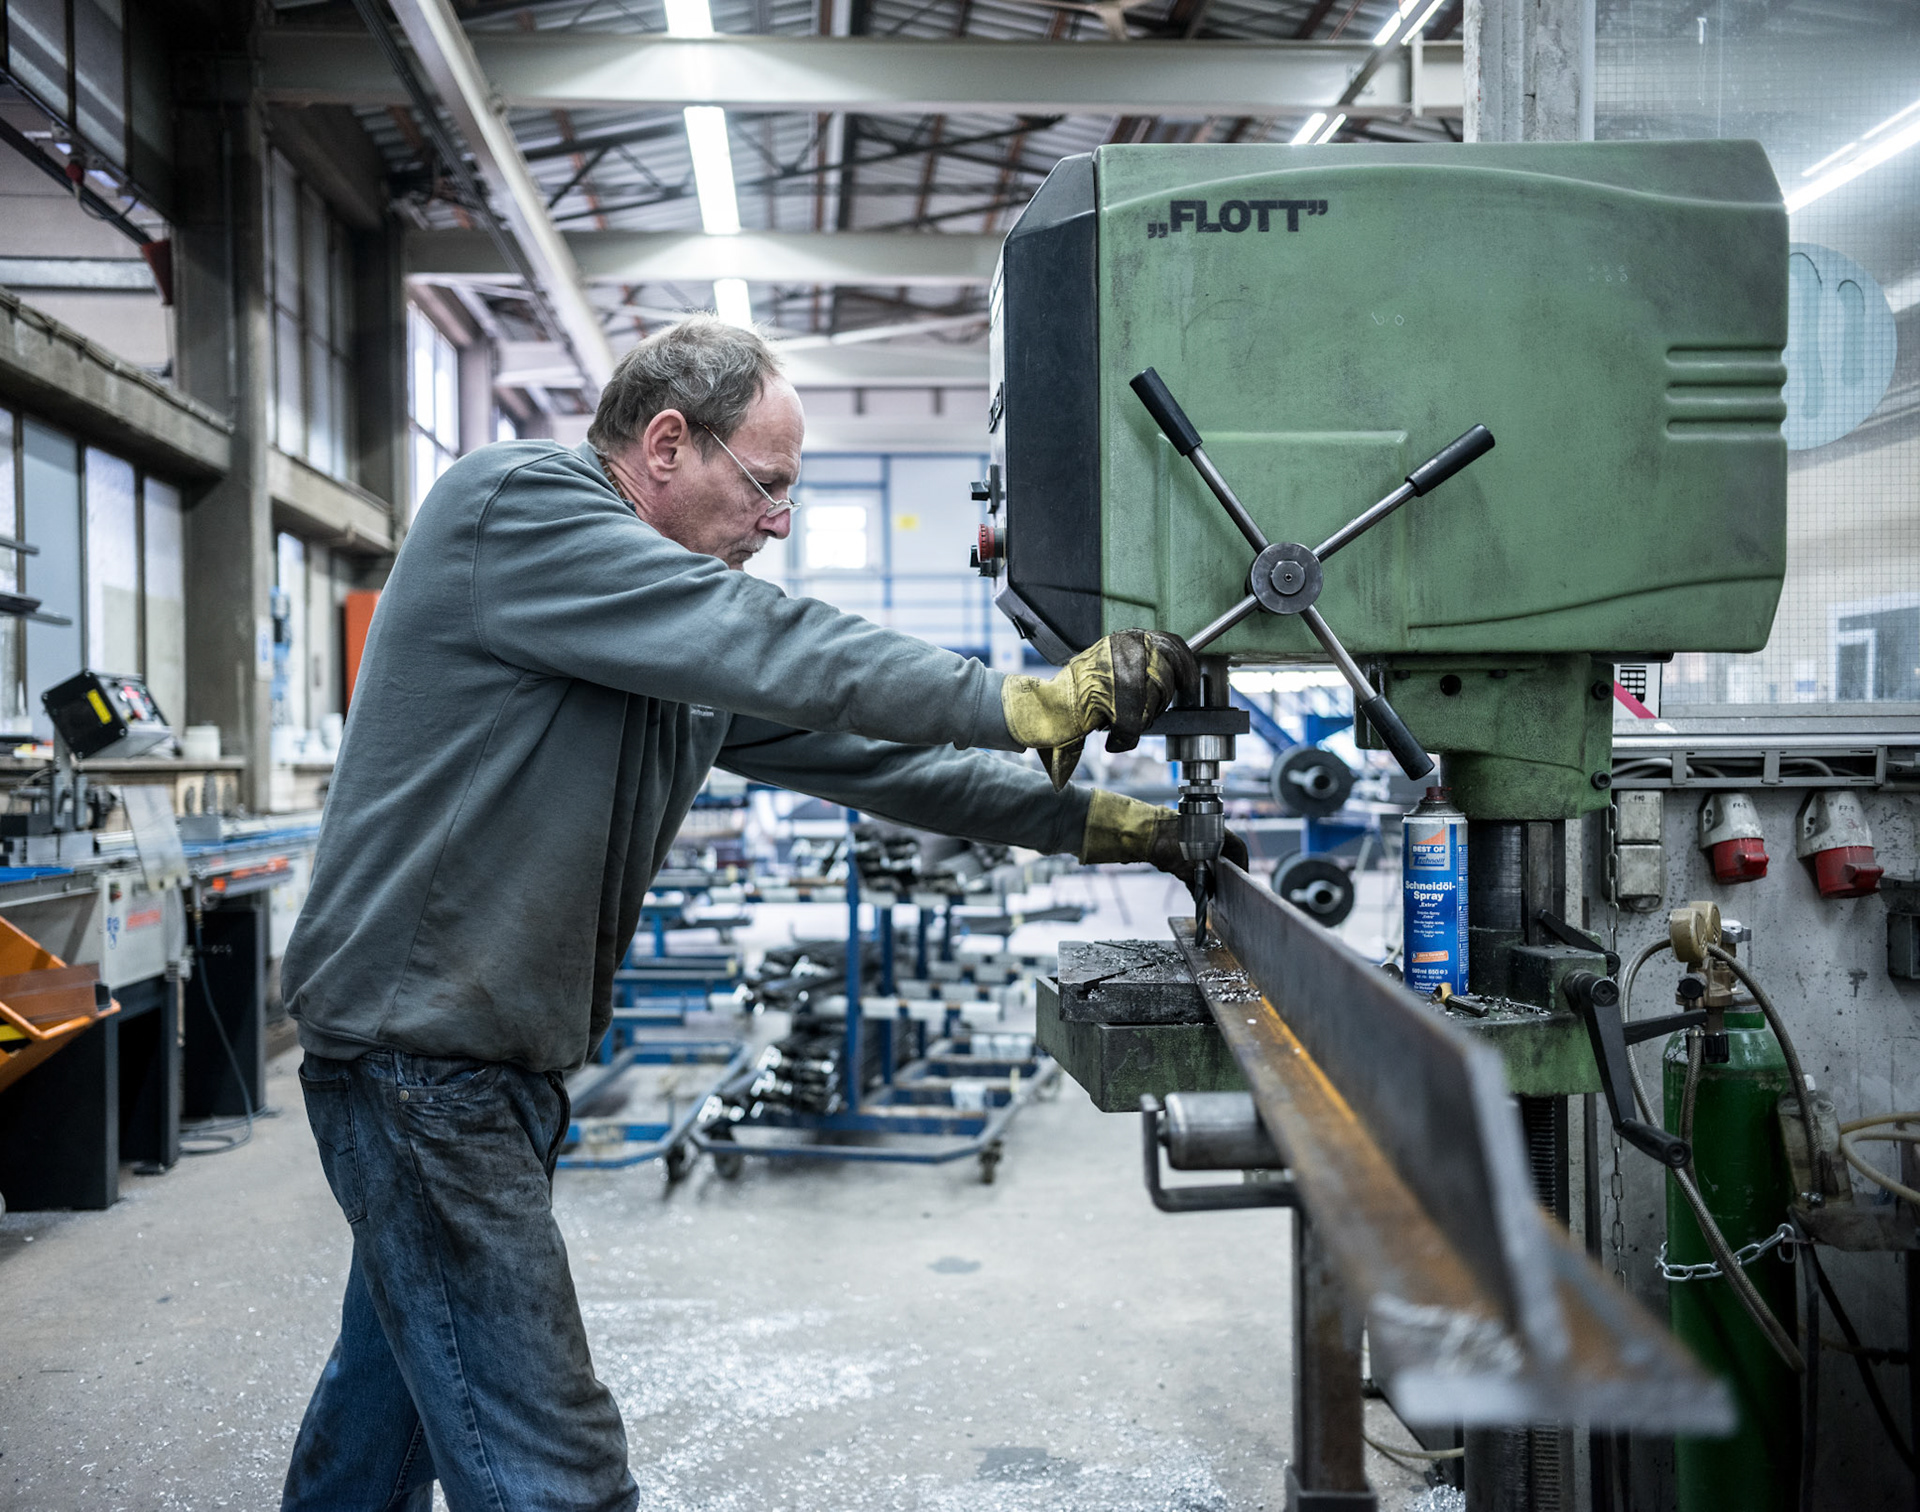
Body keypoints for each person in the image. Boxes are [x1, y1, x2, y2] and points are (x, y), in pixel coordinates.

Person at [278, 316, 1242, 1511]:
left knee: (382, 1424)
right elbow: (778, 640)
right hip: (421, 1063)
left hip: (479, 1063)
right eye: (767, 484)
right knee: (554, 1470)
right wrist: (1024, 699)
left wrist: (1111, 824)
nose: (779, 521)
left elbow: (887, 763)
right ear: (666, 444)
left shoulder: (662, 644)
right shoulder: (514, 505)